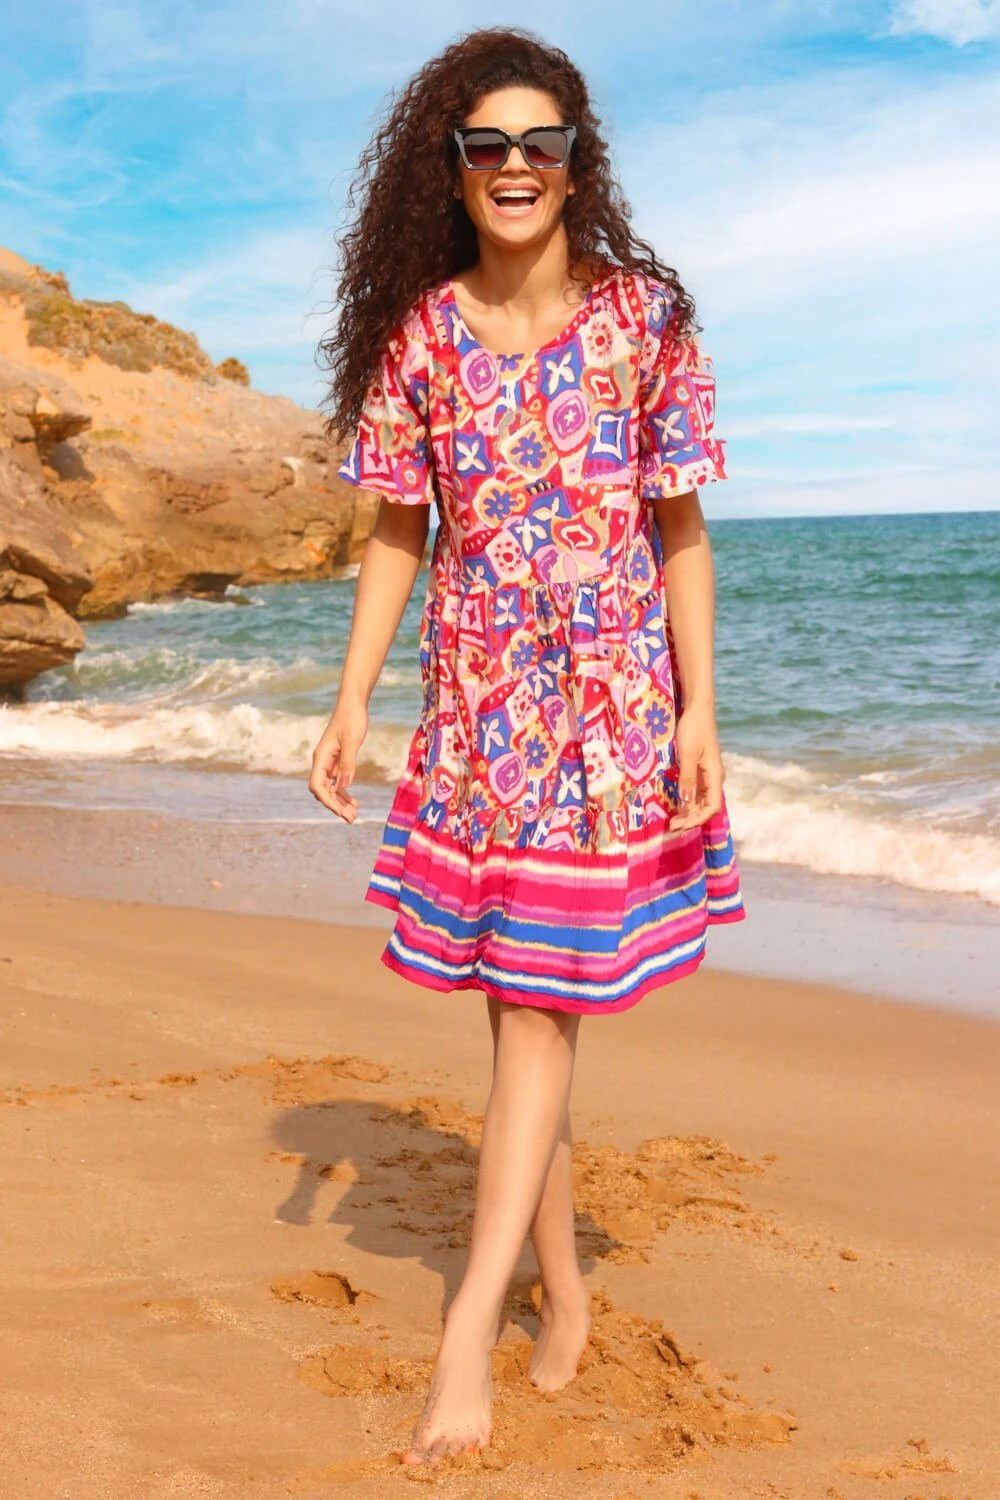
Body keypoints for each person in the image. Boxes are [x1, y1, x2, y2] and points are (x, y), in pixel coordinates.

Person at [311, 25, 745, 1466]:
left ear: (574, 162)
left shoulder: (643, 322)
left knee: (541, 1017)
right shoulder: (422, 336)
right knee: (518, 1011)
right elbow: (397, 530)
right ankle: (563, 1289)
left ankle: (465, 1340)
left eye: (538, 142)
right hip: (479, 712)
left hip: (607, 717)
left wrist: (699, 706)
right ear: (450, 168)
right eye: (486, 144)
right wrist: (352, 698)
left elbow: (680, 526)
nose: (514, 164)